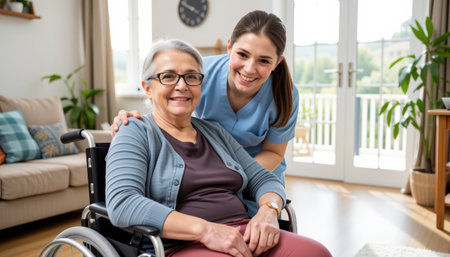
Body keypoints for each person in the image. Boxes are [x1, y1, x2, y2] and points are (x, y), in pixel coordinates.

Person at [106, 39, 331, 257]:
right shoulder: (134, 131)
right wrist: (207, 230)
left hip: (244, 233)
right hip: (182, 244)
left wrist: (268, 211)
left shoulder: (214, 132)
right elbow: (123, 203)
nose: (182, 85)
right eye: (168, 77)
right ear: (147, 88)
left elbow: (264, 179)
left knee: (317, 253)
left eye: (191, 77)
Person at [111, 10, 299, 217]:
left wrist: (231, 178)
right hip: (206, 180)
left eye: (263, 61)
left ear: (277, 62)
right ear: (229, 48)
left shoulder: (284, 94)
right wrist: (135, 122)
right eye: (242, 54)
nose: (249, 68)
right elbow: (168, 108)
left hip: (254, 179)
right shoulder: (199, 74)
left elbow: (273, 152)